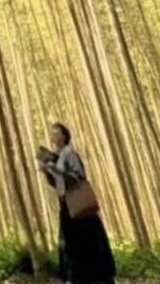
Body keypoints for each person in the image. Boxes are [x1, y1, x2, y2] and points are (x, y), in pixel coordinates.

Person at [38, 122, 116, 284]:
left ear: (64, 136)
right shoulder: (57, 157)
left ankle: (98, 276)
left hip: (77, 203)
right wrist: (47, 173)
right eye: (52, 132)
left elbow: (78, 177)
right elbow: (57, 183)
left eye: (56, 132)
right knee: (71, 242)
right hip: (65, 203)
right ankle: (77, 276)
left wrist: (58, 170)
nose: (53, 135)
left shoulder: (70, 154)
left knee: (87, 241)